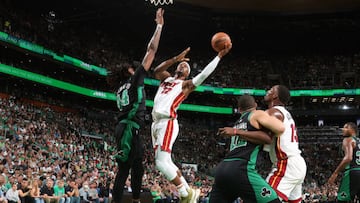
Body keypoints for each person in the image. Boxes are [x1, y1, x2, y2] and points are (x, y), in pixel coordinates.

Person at [151, 43, 231, 203]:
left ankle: (184, 193)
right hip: (155, 123)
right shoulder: (166, 78)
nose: (183, 65)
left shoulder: (185, 85)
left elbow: (203, 75)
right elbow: (156, 70)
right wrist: (175, 59)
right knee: (166, 161)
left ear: (188, 74)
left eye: (186, 66)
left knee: (160, 162)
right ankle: (189, 192)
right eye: (181, 64)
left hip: (168, 122)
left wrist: (218, 57)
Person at [105, 8, 164, 203]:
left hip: (124, 128)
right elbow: (152, 50)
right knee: (125, 170)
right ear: (131, 70)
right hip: (130, 128)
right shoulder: (134, 79)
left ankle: (136, 199)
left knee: (137, 166)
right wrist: (159, 26)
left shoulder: (121, 88)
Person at [209, 94, 285, 203]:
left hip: (222, 170)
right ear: (255, 105)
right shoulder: (256, 114)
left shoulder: (237, 124)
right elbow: (280, 129)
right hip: (241, 168)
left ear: (239, 110)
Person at [263, 85, 307, 203]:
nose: (267, 91)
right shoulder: (286, 114)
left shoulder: (273, 112)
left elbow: (265, 138)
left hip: (286, 163)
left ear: (275, 96)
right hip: (297, 163)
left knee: (265, 199)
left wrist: (238, 132)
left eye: (271, 90)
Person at [328, 122, 360, 202]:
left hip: (352, 172)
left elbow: (348, 158)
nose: (343, 129)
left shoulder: (348, 139)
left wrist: (335, 173)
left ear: (352, 130)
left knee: (342, 200)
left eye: (346, 127)